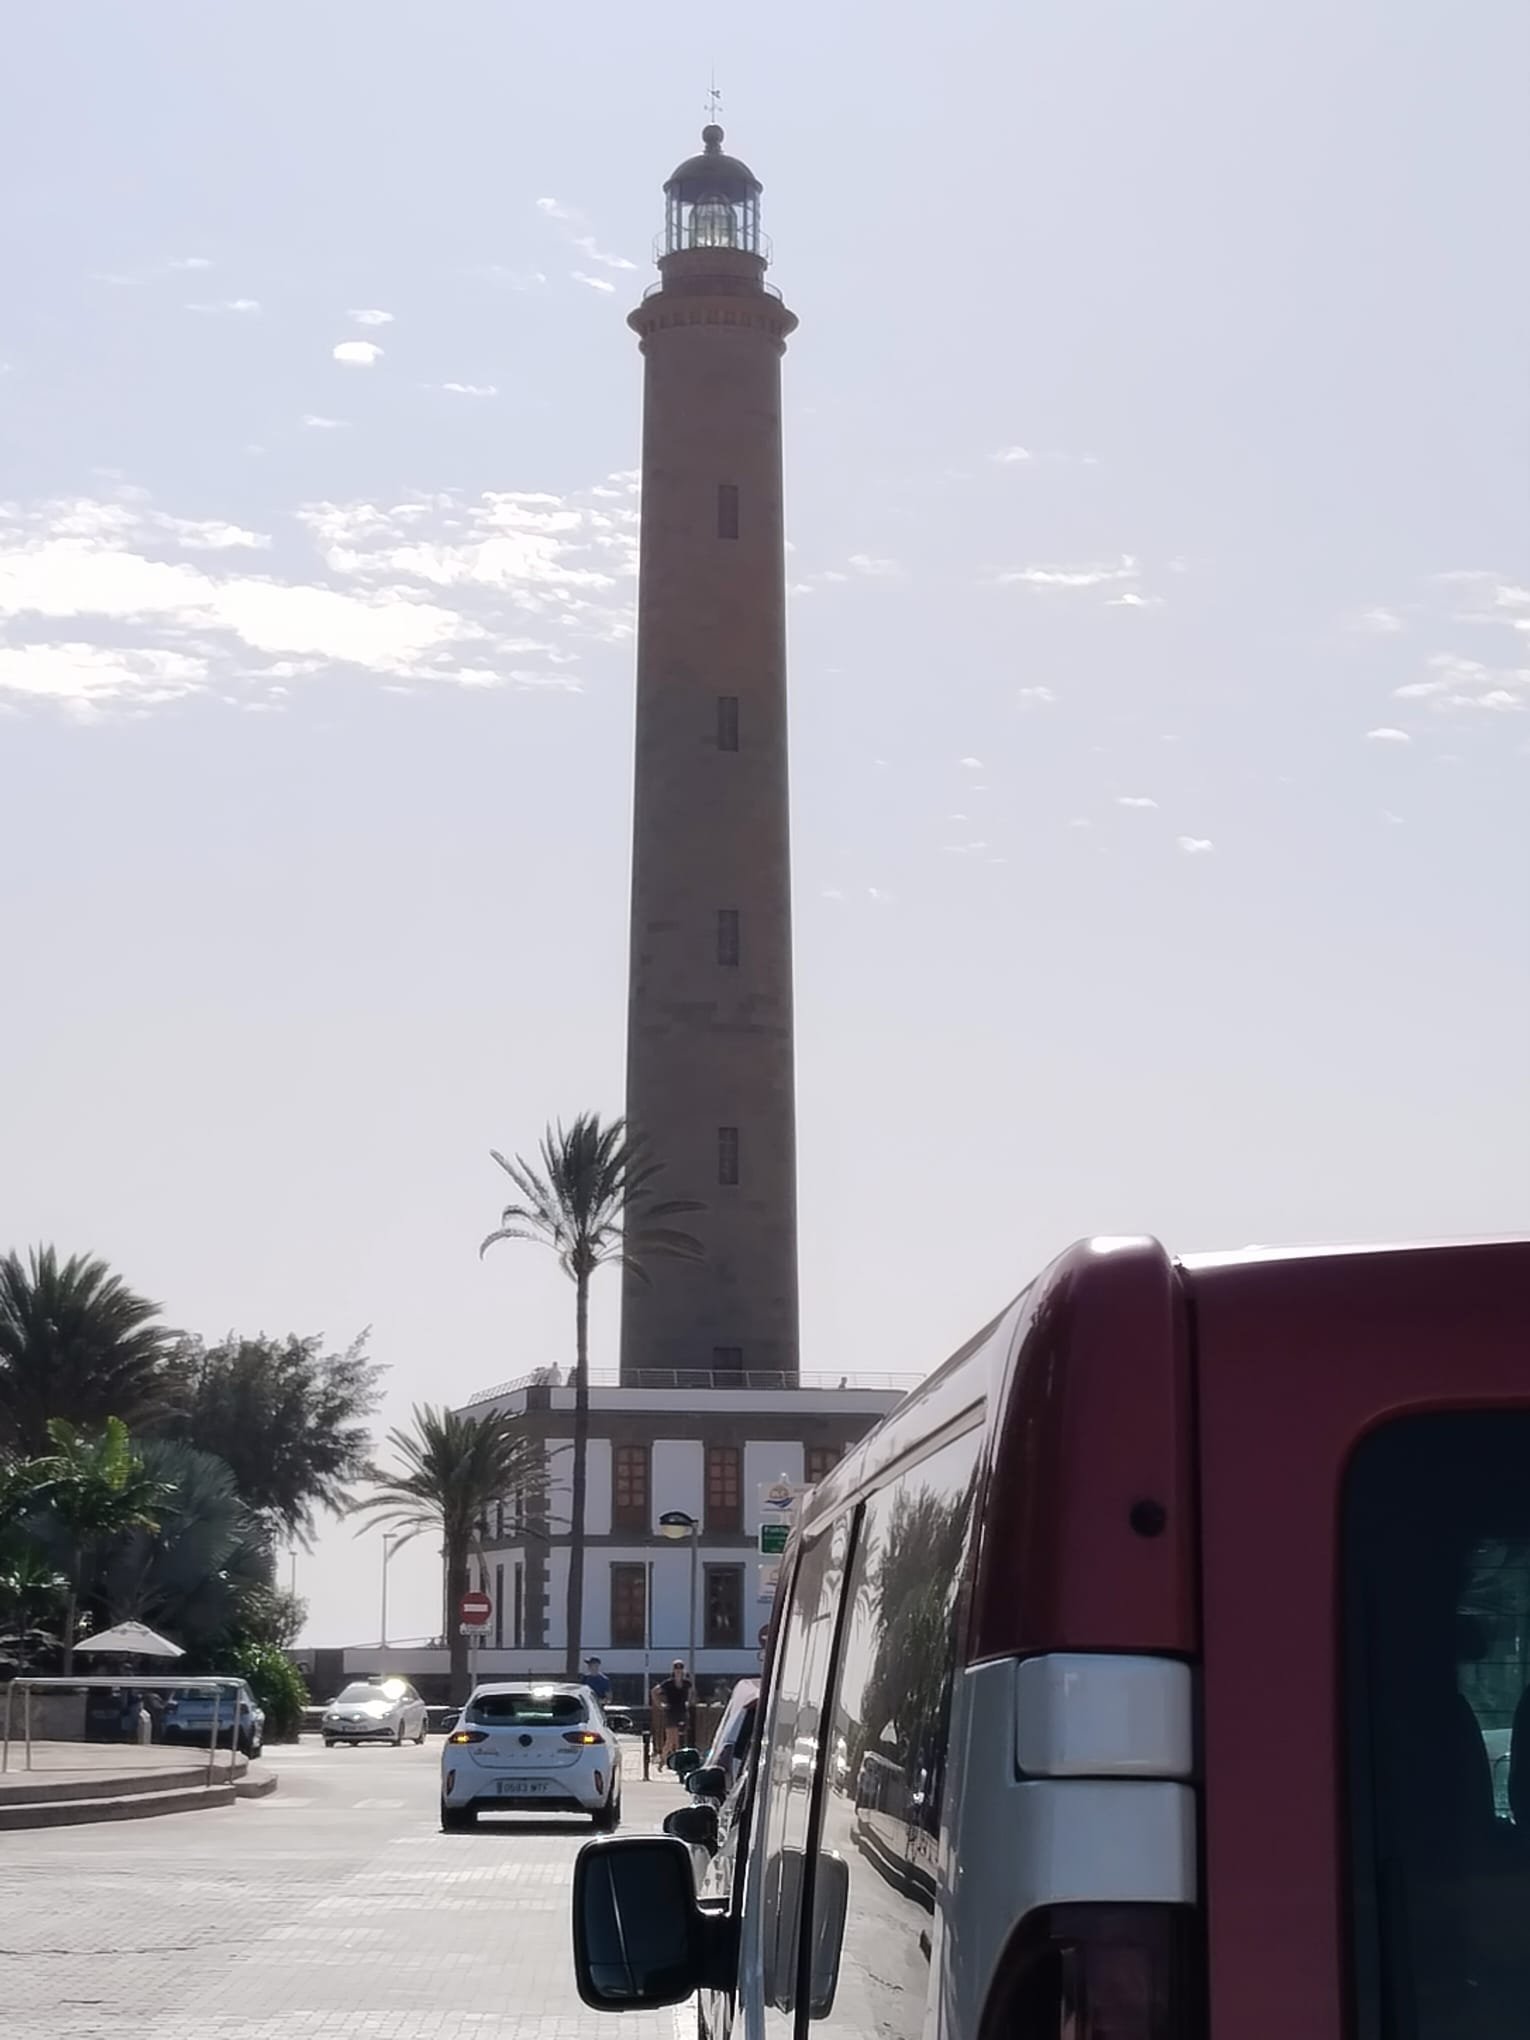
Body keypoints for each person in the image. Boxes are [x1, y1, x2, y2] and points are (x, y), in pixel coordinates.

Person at [653, 1659, 692, 1761]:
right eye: (676, 1668)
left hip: (682, 1712)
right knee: (671, 1740)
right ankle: (663, 1759)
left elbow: (692, 1693)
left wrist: (688, 1702)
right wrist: (659, 1705)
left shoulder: (687, 1683)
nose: (678, 1671)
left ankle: (676, 1761)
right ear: (673, 1670)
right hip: (671, 1712)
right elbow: (654, 1691)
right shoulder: (668, 1683)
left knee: (679, 1740)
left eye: (680, 1668)